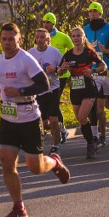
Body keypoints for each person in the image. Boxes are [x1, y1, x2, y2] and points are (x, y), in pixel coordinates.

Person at [0, 22, 70, 217]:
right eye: (3, 39)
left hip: (29, 117)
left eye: (10, 39)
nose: (6, 43)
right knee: (6, 161)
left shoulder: (26, 59)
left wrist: (21, 91)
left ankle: (55, 162)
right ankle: (18, 206)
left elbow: (44, 83)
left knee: (35, 167)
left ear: (19, 40)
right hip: (8, 119)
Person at [59, 27, 106, 159]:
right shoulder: (68, 55)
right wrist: (62, 69)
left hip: (89, 88)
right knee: (81, 120)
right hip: (75, 89)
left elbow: (103, 66)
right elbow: (59, 72)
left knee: (81, 116)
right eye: (73, 36)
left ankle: (90, 144)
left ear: (84, 37)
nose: (76, 38)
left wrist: (93, 71)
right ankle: (92, 140)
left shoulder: (89, 53)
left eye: (78, 36)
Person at [84, 2, 109, 149]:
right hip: (93, 71)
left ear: (100, 13)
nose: (92, 14)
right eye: (90, 11)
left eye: (95, 11)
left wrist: (105, 50)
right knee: (95, 107)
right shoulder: (86, 29)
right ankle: (96, 137)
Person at [28, 28, 63, 154]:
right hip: (38, 91)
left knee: (53, 120)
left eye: (42, 37)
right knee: (43, 123)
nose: (39, 40)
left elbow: (64, 70)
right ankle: (60, 129)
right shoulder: (30, 53)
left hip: (52, 89)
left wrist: (56, 69)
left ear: (48, 39)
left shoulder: (55, 52)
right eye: (37, 37)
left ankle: (55, 146)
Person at [41, 12, 74, 144]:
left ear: (53, 23)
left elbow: (73, 51)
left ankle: (61, 128)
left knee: (54, 101)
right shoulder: (41, 37)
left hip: (61, 75)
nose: (45, 24)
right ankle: (60, 127)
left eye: (48, 22)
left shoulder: (63, 37)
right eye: (44, 21)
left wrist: (65, 63)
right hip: (46, 75)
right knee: (50, 102)